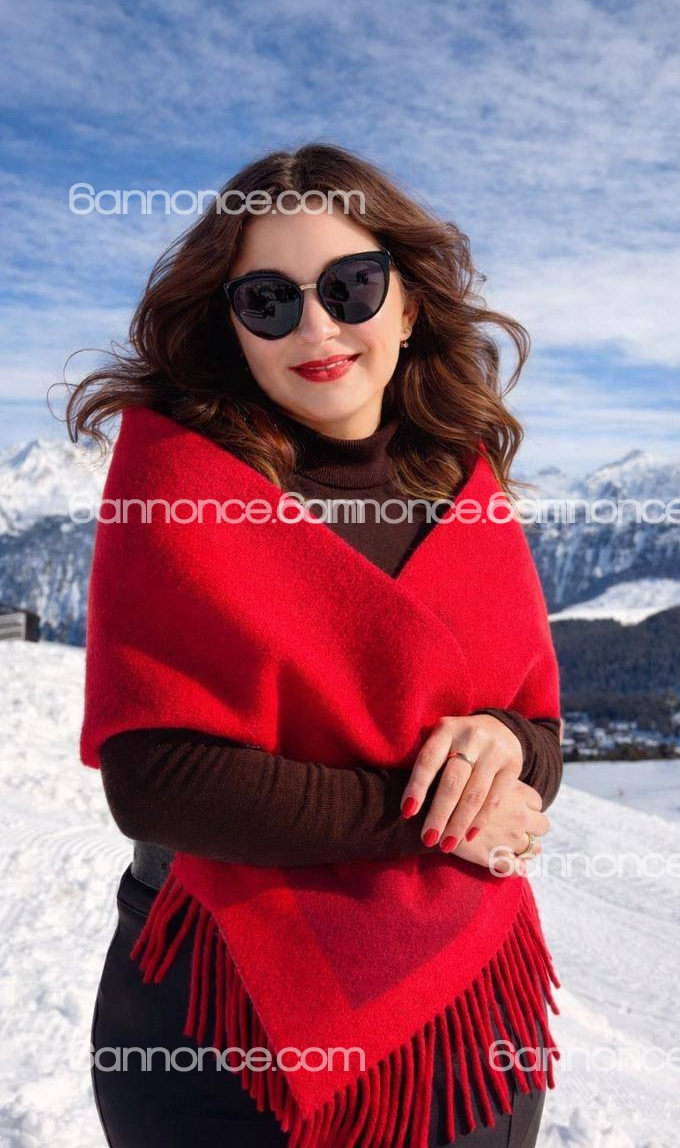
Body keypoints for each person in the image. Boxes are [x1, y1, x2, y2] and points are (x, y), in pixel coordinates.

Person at [71, 143, 564, 1147]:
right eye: (268, 300)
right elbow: (157, 781)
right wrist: (429, 818)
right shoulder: (177, 485)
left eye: (350, 287)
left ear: (407, 304)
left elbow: (539, 735)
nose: (316, 327)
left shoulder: (460, 481)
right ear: (231, 323)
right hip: (220, 1014)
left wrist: (505, 744)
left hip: (467, 1023)